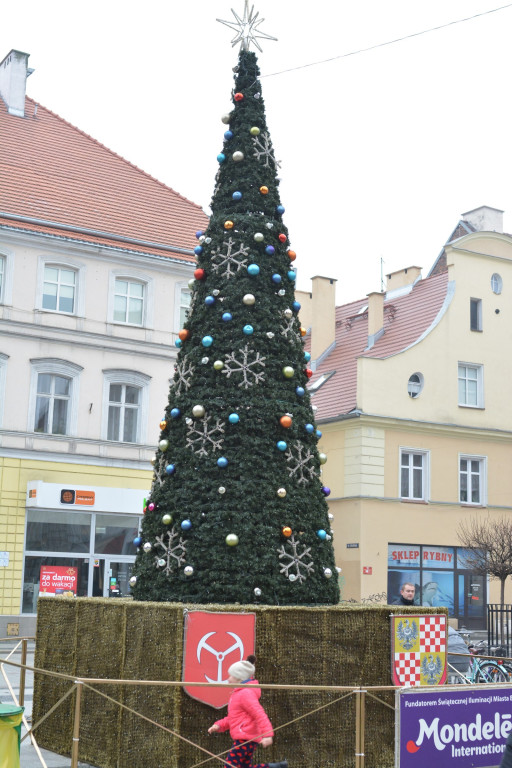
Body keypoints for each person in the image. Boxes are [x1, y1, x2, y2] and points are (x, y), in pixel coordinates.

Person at [208, 655, 287, 768]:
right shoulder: (239, 693)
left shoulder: (245, 694)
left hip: (245, 738)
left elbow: (259, 714)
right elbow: (234, 717)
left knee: (230, 766)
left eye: (232, 676)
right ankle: (274, 767)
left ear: (240, 679)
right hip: (246, 737)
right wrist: (219, 725)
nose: (228, 679)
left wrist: (268, 735)